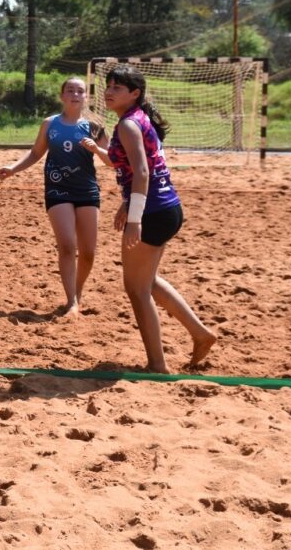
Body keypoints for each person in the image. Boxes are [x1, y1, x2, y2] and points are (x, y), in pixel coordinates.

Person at [82, 64, 216, 373]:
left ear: (135, 93)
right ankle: (200, 334)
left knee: (137, 289)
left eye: (118, 87)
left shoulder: (129, 125)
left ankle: (157, 364)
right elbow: (138, 171)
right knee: (148, 282)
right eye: (109, 85)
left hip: (154, 212)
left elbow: (143, 172)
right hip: (166, 208)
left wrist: (134, 218)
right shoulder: (138, 120)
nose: (109, 91)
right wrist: (127, 204)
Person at [0, 77, 106, 317]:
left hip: (87, 190)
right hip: (57, 189)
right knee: (67, 246)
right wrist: (13, 168)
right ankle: (71, 302)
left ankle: (78, 291)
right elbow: (36, 153)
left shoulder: (94, 127)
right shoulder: (50, 124)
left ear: (86, 97)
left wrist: (97, 150)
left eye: (80, 91)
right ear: (62, 96)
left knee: (88, 253)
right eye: (70, 90)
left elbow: (112, 160)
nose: (75, 95)